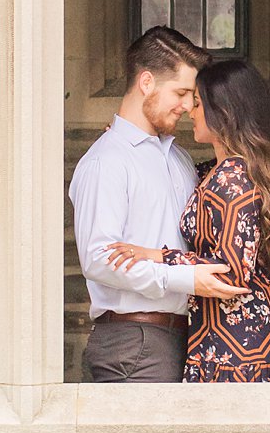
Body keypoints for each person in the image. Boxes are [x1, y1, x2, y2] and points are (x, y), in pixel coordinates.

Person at [107, 55, 270, 383]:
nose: (190, 112)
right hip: (224, 337)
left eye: (197, 103)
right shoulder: (215, 172)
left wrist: (159, 256)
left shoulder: (232, 179)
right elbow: (168, 175)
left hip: (242, 347)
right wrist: (127, 142)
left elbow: (232, 273)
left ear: (223, 112)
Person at [69, 26, 244, 383]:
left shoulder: (178, 159)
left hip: (190, 337)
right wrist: (186, 278)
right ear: (146, 82)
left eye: (192, 96)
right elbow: (99, 260)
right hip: (136, 341)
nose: (187, 106)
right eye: (180, 93)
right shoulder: (107, 161)